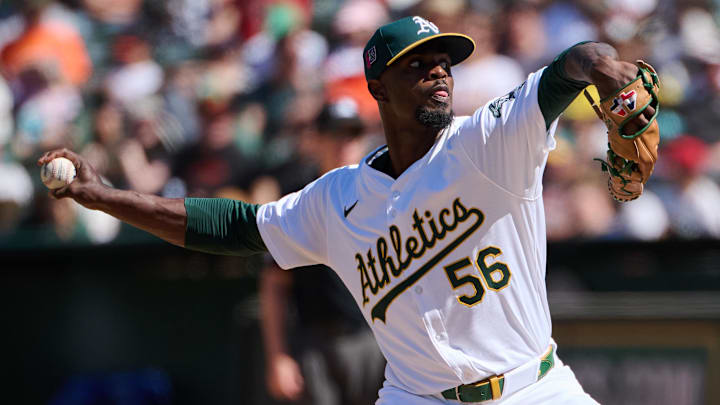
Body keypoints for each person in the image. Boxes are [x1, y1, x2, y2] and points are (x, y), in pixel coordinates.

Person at [40, 16, 656, 404]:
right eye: (419, 65)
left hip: (533, 387)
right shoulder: (335, 200)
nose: (439, 73)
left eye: (444, 62)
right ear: (377, 87)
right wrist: (103, 196)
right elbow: (229, 226)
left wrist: (602, 66)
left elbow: (574, 60)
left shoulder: (488, 141)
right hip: (417, 397)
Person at [261, 99, 385, 405]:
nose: (344, 143)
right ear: (315, 139)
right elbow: (274, 284)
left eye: (352, 133)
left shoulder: (382, 188)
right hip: (317, 341)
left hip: (376, 337)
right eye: (335, 134)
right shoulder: (297, 198)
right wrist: (278, 356)